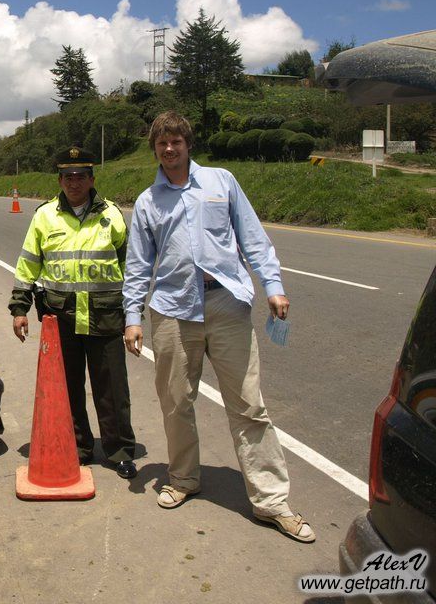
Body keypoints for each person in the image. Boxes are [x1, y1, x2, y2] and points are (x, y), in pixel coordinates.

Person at [122, 111, 315, 543]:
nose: (169, 149)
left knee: (249, 405)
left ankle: (271, 501)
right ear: (154, 149)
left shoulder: (221, 182)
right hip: (172, 310)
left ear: (188, 143)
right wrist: (132, 318)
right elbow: (138, 267)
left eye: (176, 142)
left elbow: (252, 237)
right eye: (161, 144)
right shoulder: (149, 202)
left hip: (226, 303)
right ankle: (184, 478)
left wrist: (273, 287)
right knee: (175, 402)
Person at [9, 146, 138, 479]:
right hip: (61, 318)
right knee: (67, 388)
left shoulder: (112, 215)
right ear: (60, 180)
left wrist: (133, 314)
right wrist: (20, 308)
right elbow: (28, 265)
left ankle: (120, 449)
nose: (74, 182)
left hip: (105, 317)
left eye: (81, 176)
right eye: (68, 176)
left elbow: (131, 268)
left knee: (113, 390)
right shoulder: (44, 216)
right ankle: (78, 447)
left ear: (92, 178)